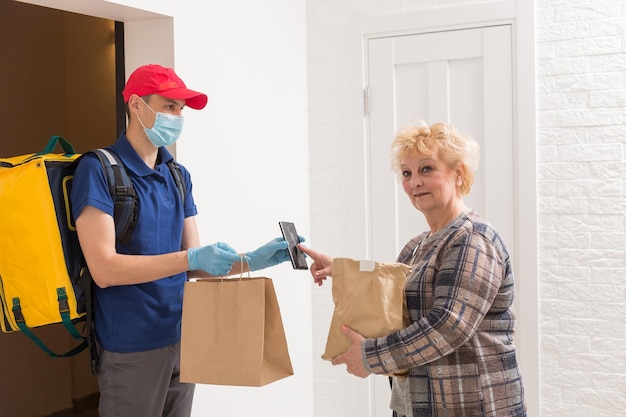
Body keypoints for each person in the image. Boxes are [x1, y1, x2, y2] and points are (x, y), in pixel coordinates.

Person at [70, 64, 293, 417]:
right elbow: (105, 269)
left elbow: (198, 264)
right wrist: (190, 260)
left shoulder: (177, 175)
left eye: (180, 109)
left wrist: (255, 258)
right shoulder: (98, 170)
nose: (177, 116)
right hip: (132, 346)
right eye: (168, 106)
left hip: (184, 338)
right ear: (136, 105)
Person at [299, 122, 527, 417]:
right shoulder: (419, 244)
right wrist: (339, 269)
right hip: (420, 404)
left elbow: (448, 326)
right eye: (407, 173)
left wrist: (371, 356)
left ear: (459, 174)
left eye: (426, 169)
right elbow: (390, 286)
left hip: (474, 406)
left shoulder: (472, 240)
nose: (414, 182)